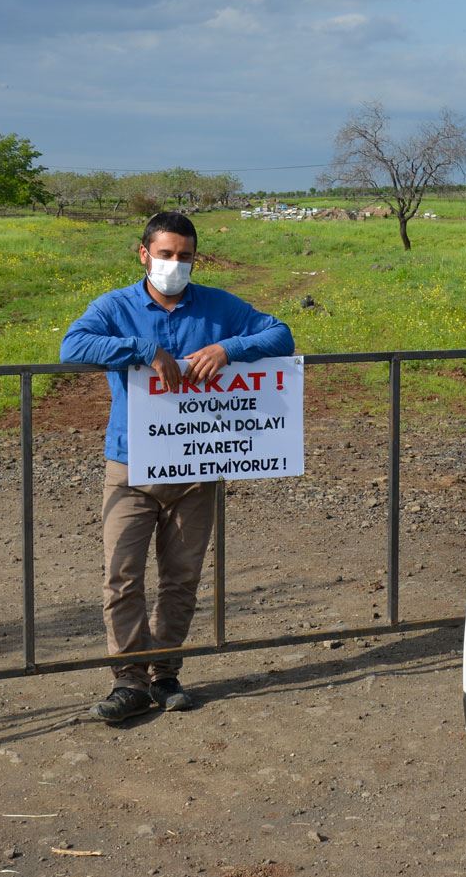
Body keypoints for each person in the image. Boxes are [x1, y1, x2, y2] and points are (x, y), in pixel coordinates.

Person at [61, 211, 293, 723]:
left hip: (196, 466)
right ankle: (128, 679)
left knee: (182, 577)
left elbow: (281, 336)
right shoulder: (115, 307)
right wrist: (144, 349)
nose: (174, 264)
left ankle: (165, 673)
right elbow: (73, 345)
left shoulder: (219, 307)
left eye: (184, 256)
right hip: (131, 466)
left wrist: (229, 348)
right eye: (165, 254)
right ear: (143, 254)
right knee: (122, 575)